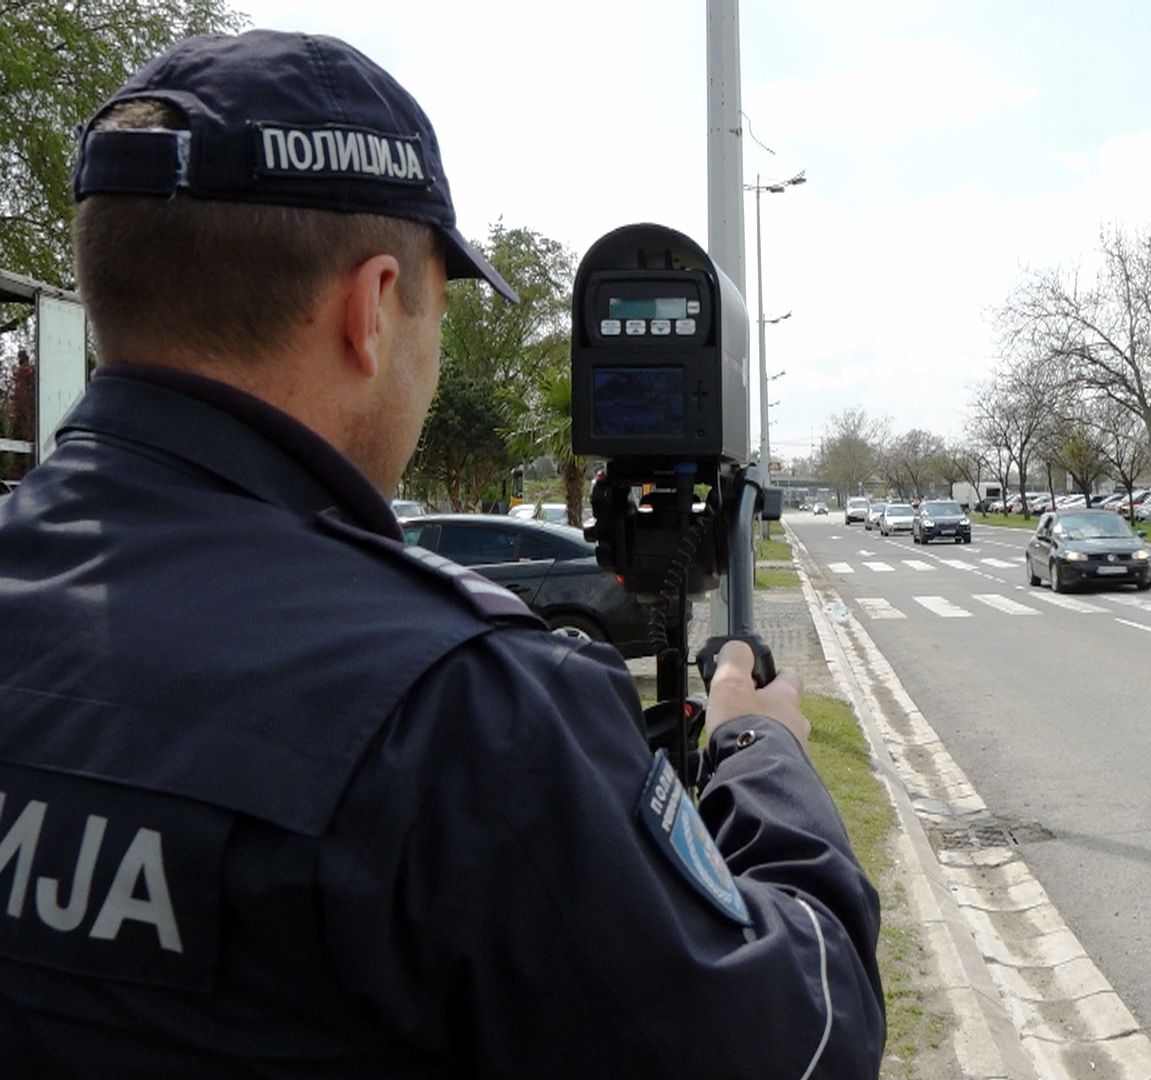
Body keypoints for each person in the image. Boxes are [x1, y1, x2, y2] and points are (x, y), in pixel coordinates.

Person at [0, 29, 883, 1078]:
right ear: (372, 310)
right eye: (439, 307)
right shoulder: (467, 712)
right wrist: (759, 754)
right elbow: (801, 1041)